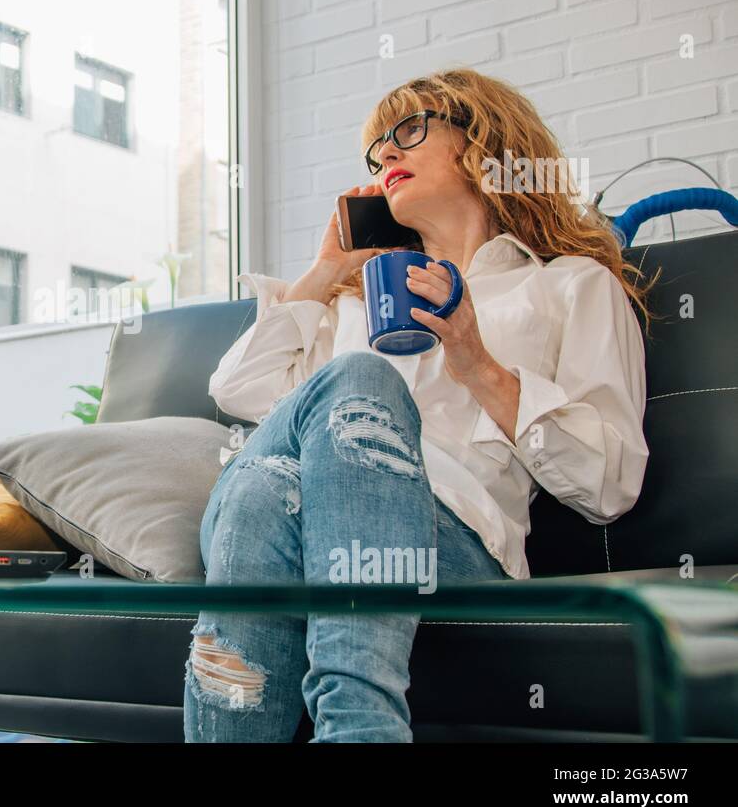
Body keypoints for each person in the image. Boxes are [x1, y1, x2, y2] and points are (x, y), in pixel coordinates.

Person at [182, 68, 655, 742]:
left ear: (485, 143)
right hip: (306, 513)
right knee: (283, 459)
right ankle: (360, 730)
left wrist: (476, 360)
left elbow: (608, 486)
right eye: (376, 152)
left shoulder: (569, 286)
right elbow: (239, 392)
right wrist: (324, 273)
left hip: (452, 545)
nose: (385, 157)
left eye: (408, 131)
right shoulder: (350, 301)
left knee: (283, 468)